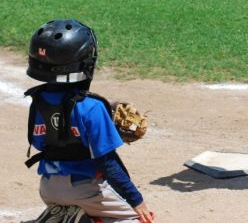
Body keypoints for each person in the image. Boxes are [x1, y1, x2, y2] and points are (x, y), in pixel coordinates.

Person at [24, 20, 155, 223]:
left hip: (48, 188)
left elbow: (43, 142)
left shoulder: (37, 100)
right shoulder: (93, 107)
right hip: (85, 191)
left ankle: (64, 215)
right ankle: (80, 218)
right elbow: (108, 163)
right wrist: (137, 201)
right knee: (137, 220)